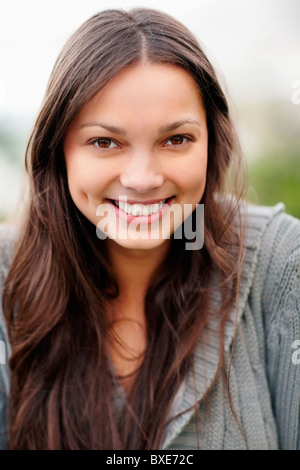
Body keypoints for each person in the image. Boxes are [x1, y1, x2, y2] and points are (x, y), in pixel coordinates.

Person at [0, 7, 299, 451]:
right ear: (58, 151)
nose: (142, 179)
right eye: (105, 142)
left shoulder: (282, 262)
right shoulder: (7, 277)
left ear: (212, 144)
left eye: (175, 139)